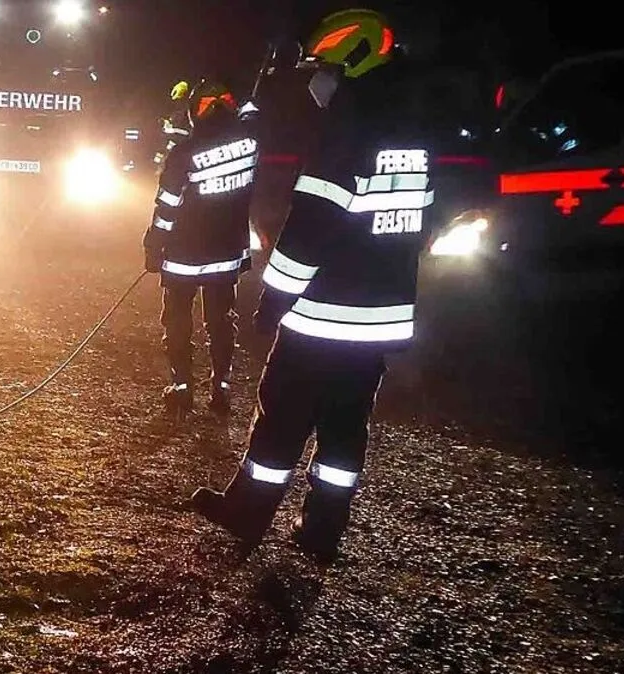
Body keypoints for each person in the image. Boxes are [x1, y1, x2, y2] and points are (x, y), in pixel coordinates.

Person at [191, 9, 435, 560]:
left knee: (282, 413)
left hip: (327, 312)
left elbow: (309, 231)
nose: (314, 77)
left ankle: (248, 513)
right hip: (381, 318)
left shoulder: (349, 130)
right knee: (346, 426)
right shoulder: (412, 130)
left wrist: (272, 300)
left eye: (321, 65)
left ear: (352, 61)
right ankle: (322, 531)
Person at [143, 78, 261, 420]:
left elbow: (166, 208)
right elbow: (254, 112)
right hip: (227, 255)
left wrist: (154, 246)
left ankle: (181, 389)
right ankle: (221, 387)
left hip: (184, 257)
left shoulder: (184, 155)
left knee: (178, 321)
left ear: (195, 114)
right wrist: (249, 95)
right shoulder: (251, 143)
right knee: (221, 321)